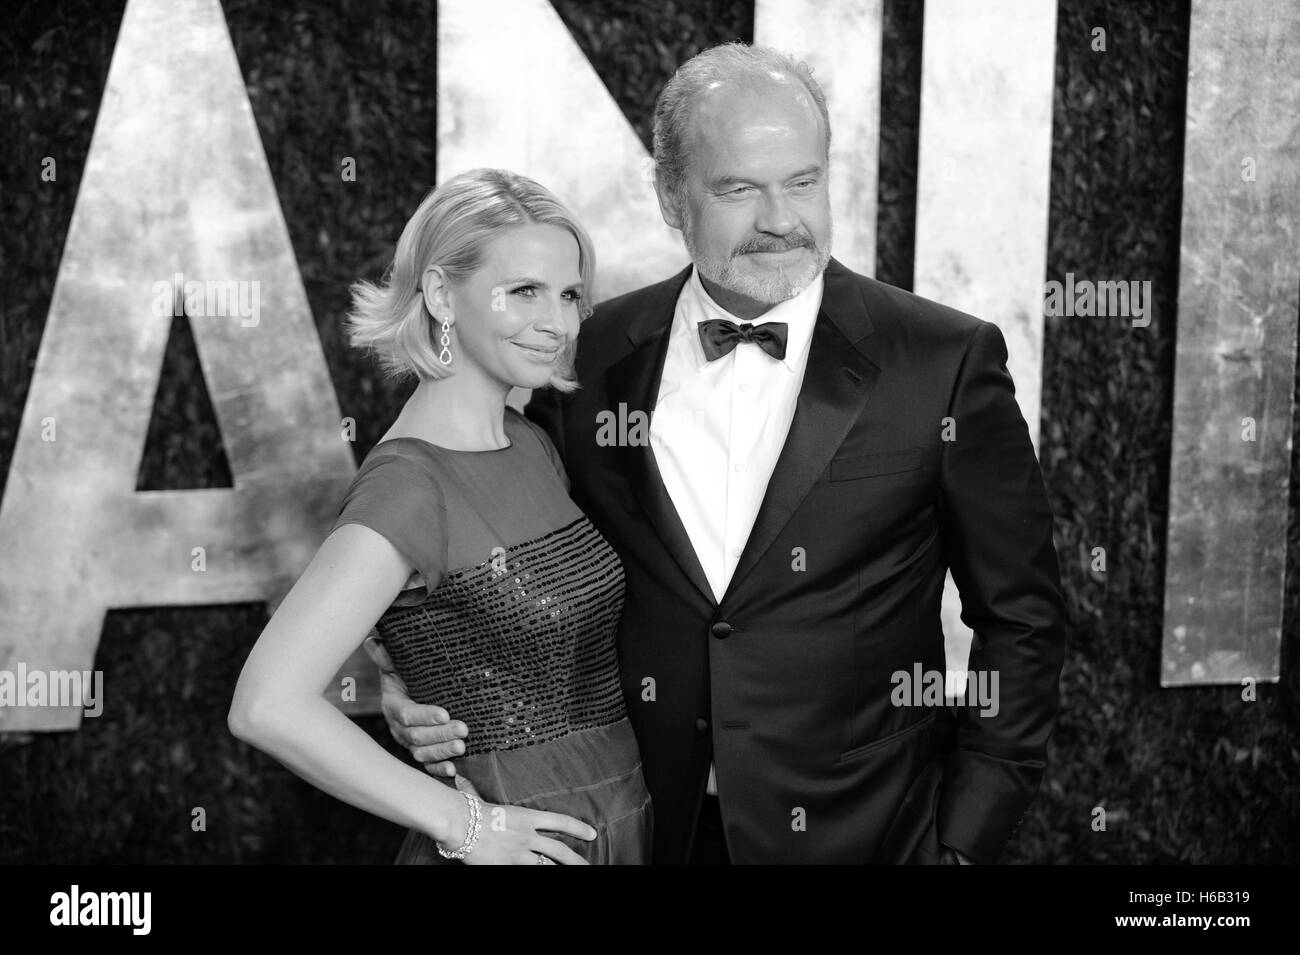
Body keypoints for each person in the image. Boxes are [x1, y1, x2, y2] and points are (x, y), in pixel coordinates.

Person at [376, 42, 1067, 865]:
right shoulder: (583, 356)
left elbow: (1022, 616)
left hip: (871, 834)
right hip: (632, 827)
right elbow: (483, 548)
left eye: (803, 181)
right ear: (672, 195)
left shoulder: (944, 360)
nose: (781, 219)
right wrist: (409, 679)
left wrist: (961, 842)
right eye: (739, 188)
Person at [229, 168, 652, 865]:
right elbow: (265, 703)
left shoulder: (530, 441)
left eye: (570, 294)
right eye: (524, 291)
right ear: (439, 294)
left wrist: (410, 684)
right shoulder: (408, 485)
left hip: (615, 823)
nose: (560, 322)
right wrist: (465, 825)